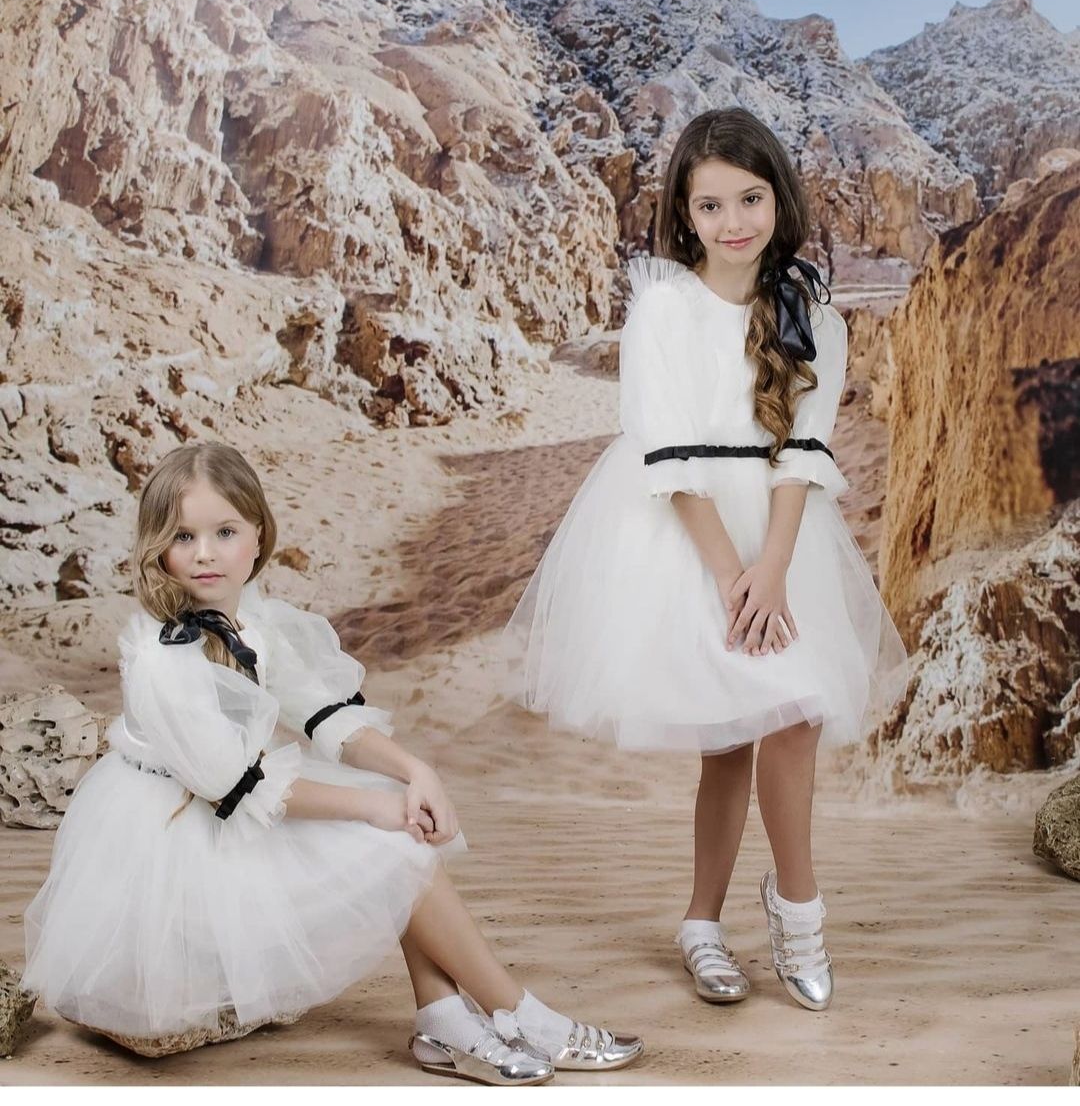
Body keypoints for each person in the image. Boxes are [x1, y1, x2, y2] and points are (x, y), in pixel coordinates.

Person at [21, 443, 643, 1083]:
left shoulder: (253, 622)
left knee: (393, 816)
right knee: (389, 832)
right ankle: (518, 1013)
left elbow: (325, 715)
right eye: (184, 536)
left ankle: (445, 1019)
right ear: (158, 546)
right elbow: (241, 787)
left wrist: (415, 772)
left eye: (224, 532)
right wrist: (378, 807)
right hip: (178, 847)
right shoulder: (165, 658)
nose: (204, 553)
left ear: (257, 535)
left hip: (230, 812)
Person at [504, 107, 908, 1013]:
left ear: (780, 199)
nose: (734, 222)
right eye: (711, 204)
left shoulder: (814, 316)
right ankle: (702, 924)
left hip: (778, 538)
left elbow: (804, 455)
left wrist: (773, 568)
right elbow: (671, 455)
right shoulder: (665, 307)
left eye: (751, 199)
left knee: (794, 715)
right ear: (685, 214)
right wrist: (731, 576)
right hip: (687, 538)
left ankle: (798, 912)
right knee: (725, 743)